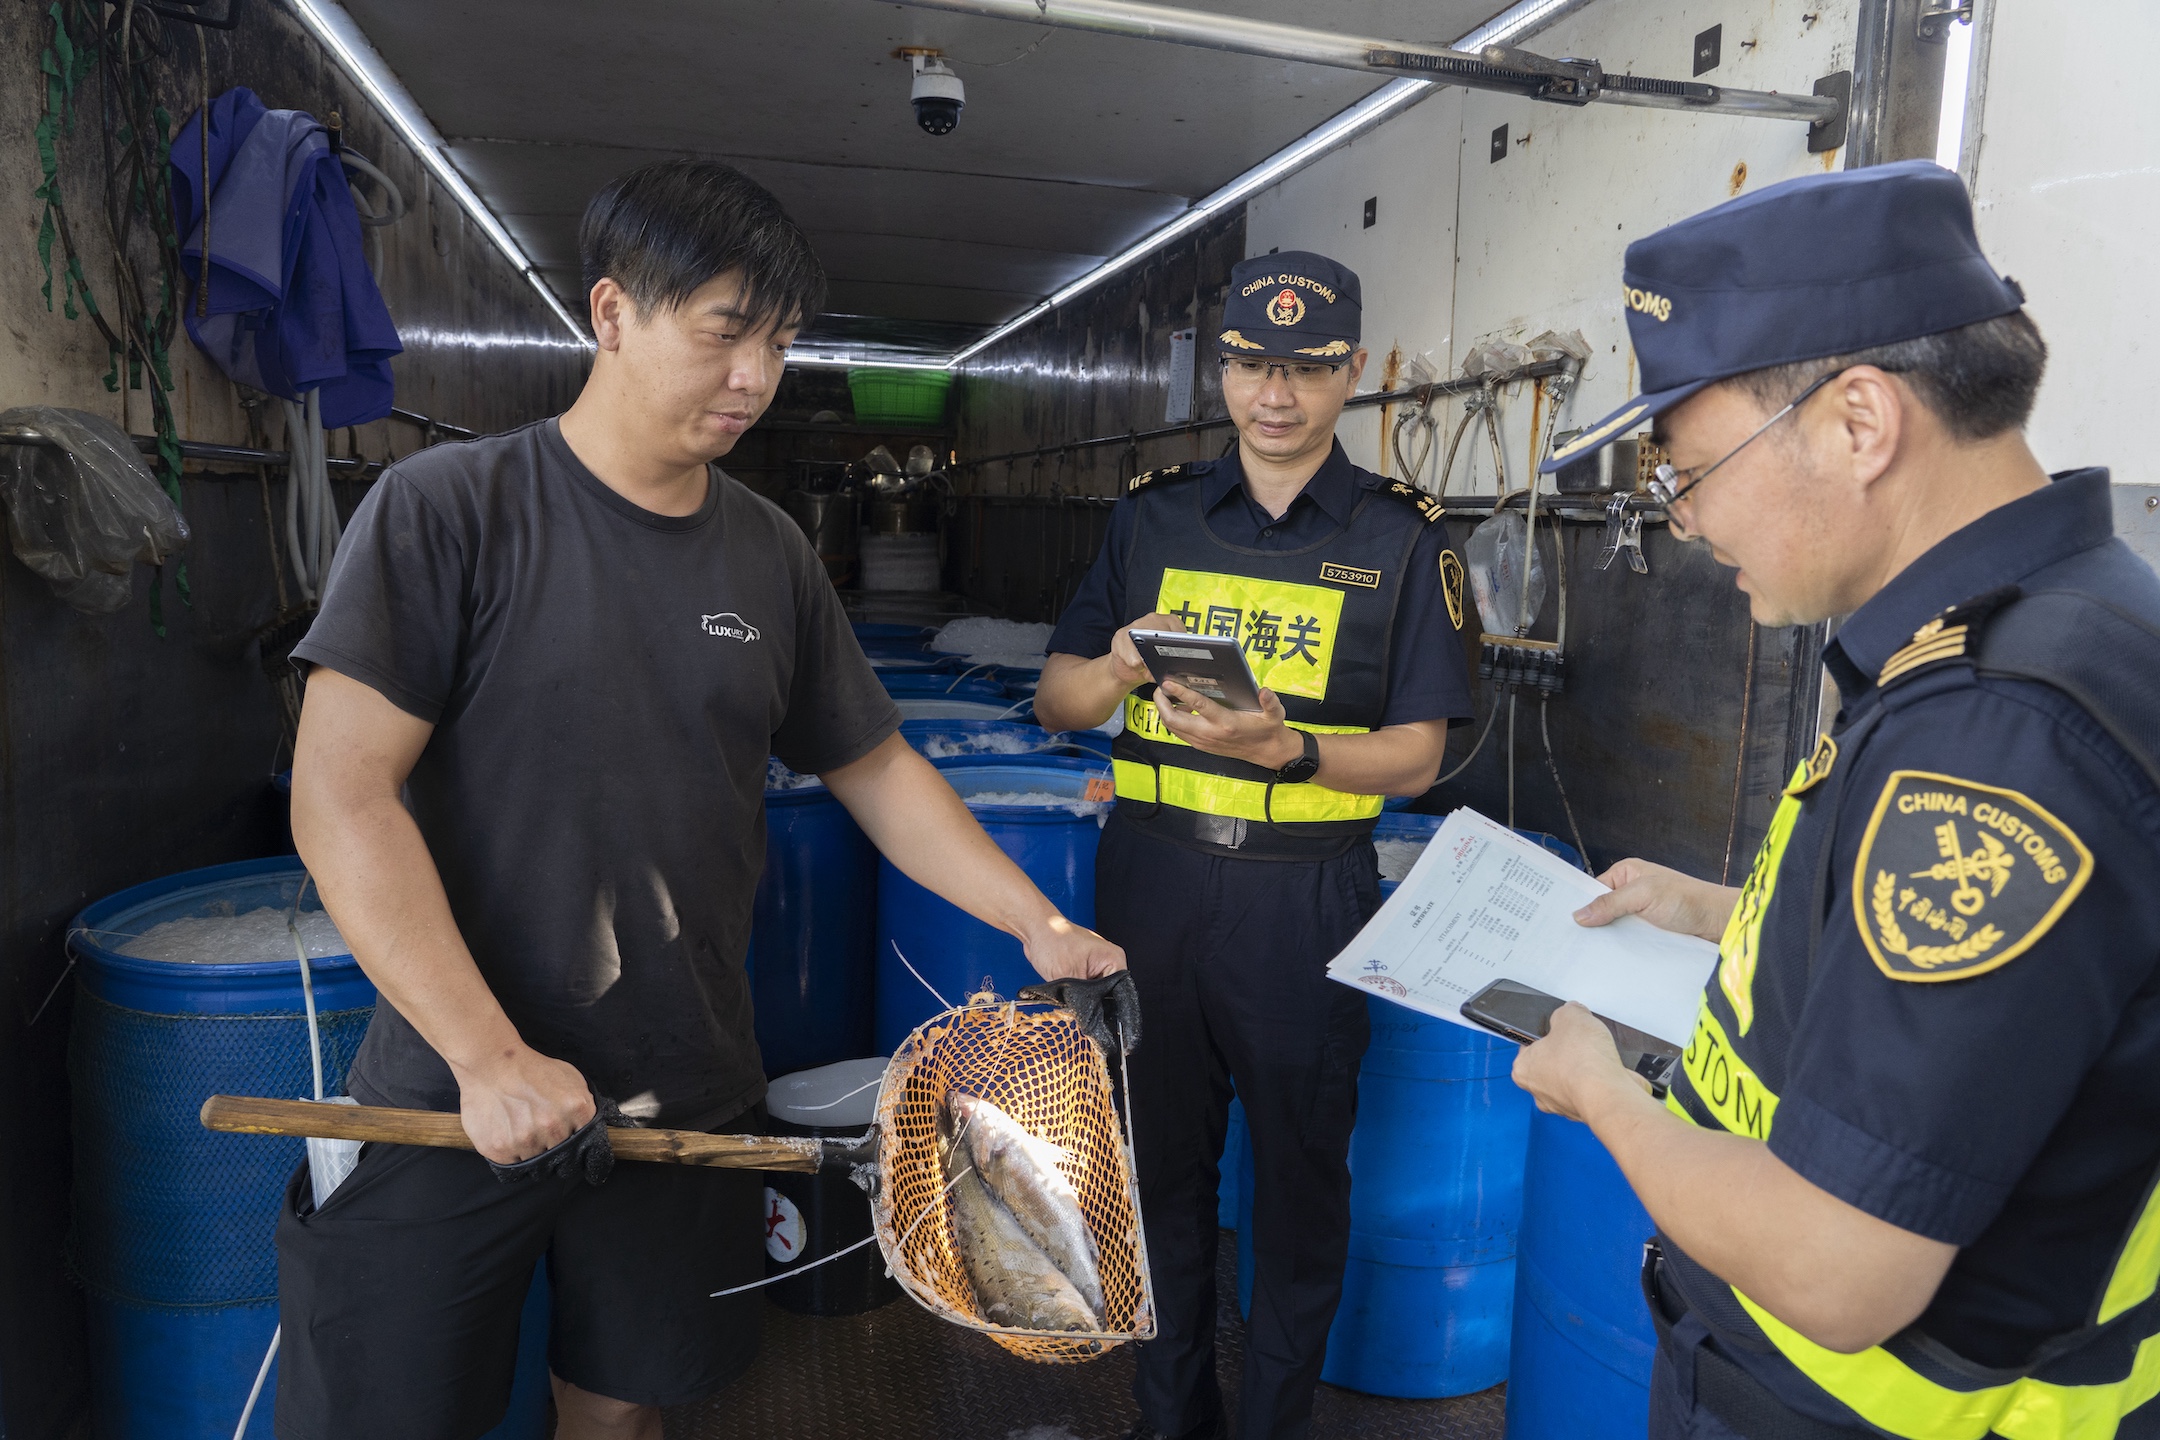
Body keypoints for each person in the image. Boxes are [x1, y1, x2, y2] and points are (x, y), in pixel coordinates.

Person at [278, 158, 1125, 1440]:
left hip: (684, 1091)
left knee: (623, 1413)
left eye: (778, 344)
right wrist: (487, 1056)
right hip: (455, 1096)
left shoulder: (768, 551)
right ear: (611, 314)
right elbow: (340, 797)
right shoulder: (448, 510)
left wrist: (1037, 923)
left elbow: (879, 768)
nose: (755, 380)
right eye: (724, 333)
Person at [1514, 160, 2160, 1439]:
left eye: (1691, 470)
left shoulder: (1996, 734)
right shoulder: (2055, 625)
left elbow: (1836, 1266)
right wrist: (1721, 910)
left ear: (1860, 423)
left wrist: (1604, 1094)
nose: (1685, 522)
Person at [1033, 251, 1475, 1440]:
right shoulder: (1152, 516)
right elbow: (1058, 701)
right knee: (1160, 1175)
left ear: (1355, 374)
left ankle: (1275, 1423)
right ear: (1219, 368)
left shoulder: (1402, 541)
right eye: (1249, 365)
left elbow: (1423, 754)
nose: (1273, 396)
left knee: (1296, 1186)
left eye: (1307, 369)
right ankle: (1169, 1416)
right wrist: (1122, 662)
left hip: (1305, 905)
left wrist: (1293, 755)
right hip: (1153, 888)